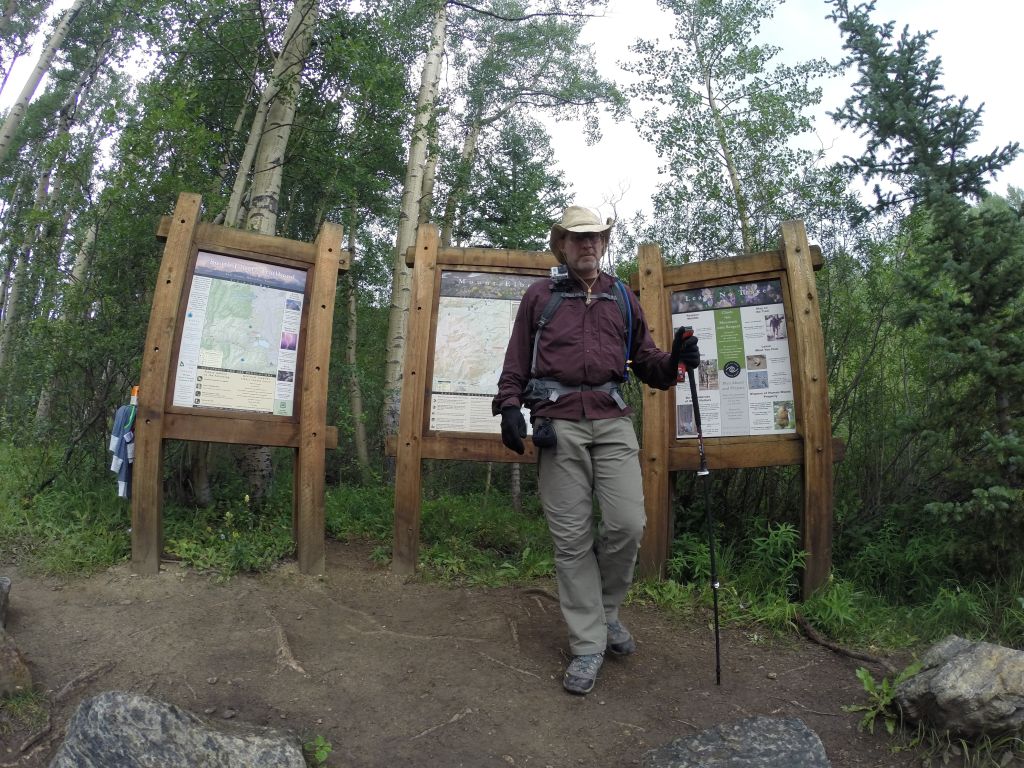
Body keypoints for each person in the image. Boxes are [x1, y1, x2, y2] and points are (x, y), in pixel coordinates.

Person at [492, 205, 701, 695]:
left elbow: (646, 360)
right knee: (570, 539)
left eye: (596, 237)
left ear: (604, 243)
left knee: (629, 524)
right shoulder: (540, 297)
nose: (588, 245)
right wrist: (509, 409)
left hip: (611, 422)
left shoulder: (621, 297)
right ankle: (588, 645)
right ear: (561, 244)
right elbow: (515, 362)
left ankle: (606, 614)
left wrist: (674, 362)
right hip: (557, 424)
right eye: (577, 237)